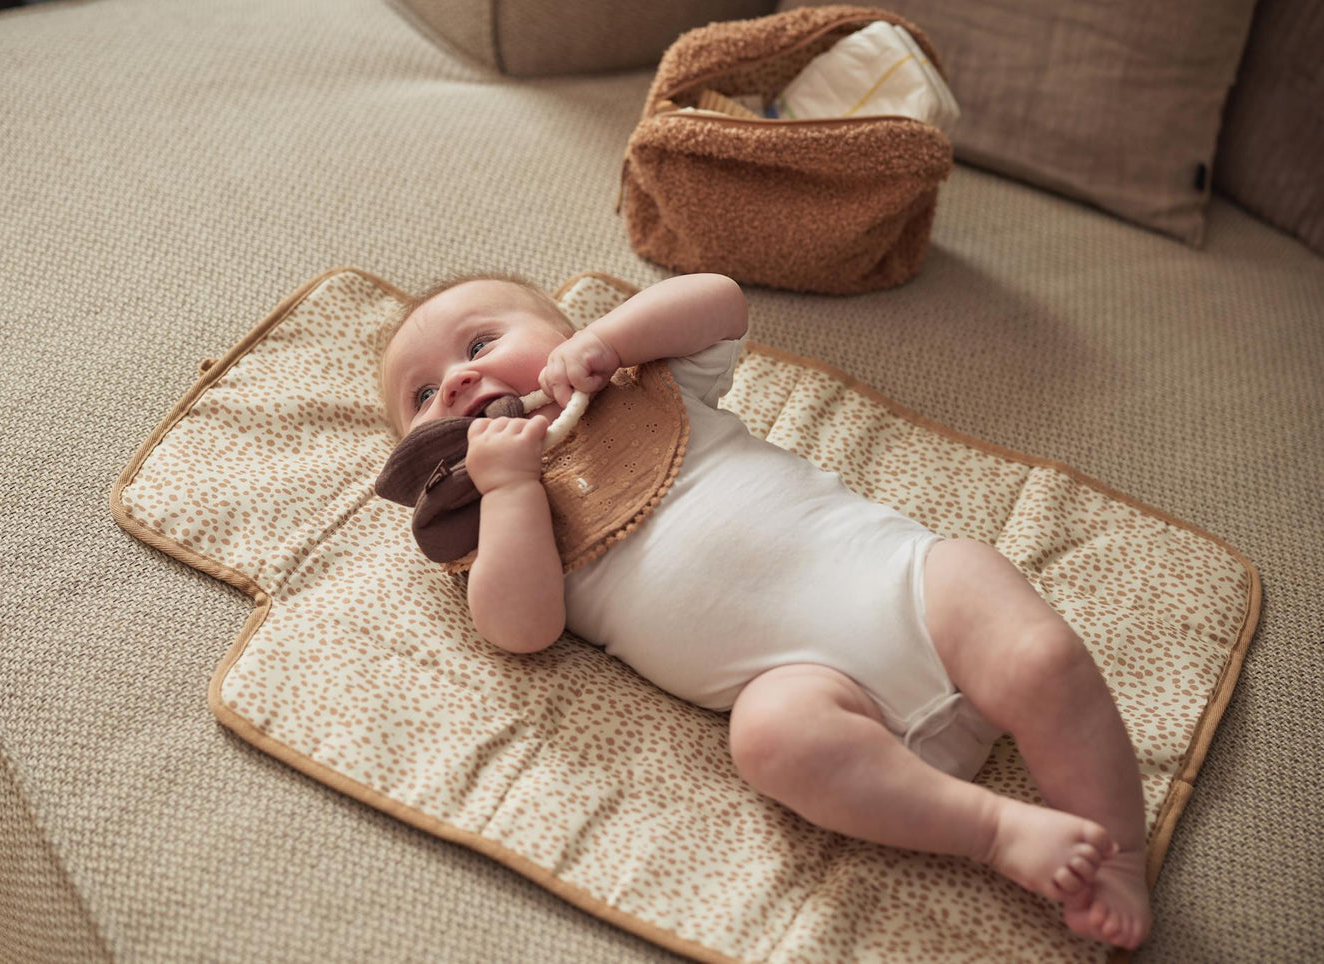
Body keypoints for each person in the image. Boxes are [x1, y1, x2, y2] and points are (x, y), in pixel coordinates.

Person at [380, 272, 1152, 949]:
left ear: (561, 333)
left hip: (905, 592)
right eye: (421, 395)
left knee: (1017, 629)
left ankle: (1115, 855)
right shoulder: (488, 521)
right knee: (768, 737)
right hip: (818, 696)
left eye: (479, 341)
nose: (454, 380)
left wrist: (610, 340)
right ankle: (993, 831)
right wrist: (511, 488)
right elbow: (519, 629)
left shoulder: (645, 388)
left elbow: (720, 302)